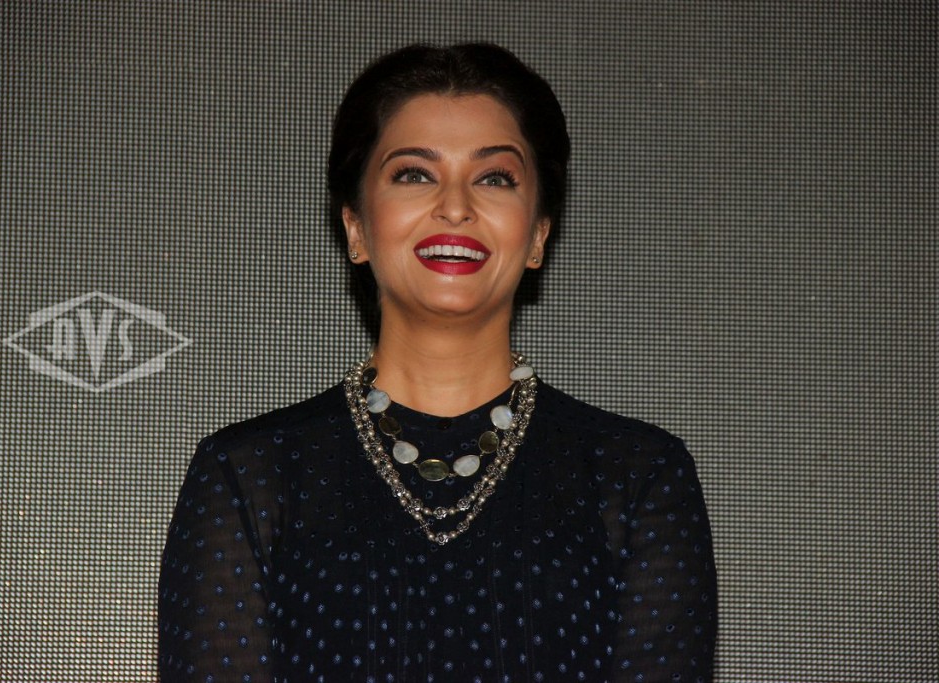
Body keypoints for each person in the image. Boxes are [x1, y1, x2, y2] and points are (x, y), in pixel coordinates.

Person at [159, 43, 717, 682]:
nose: (455, 206)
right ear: (356, 228)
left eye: (495, 177)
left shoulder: (638, 477)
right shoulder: (250, 474)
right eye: (414, 174)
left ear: (538, 234)